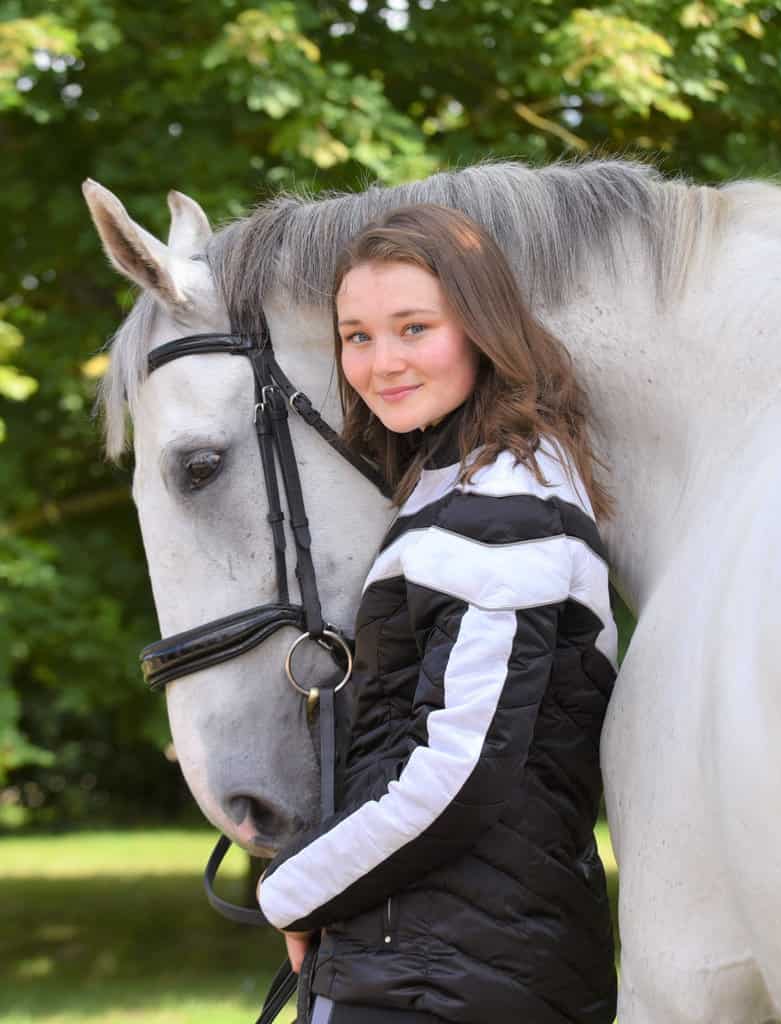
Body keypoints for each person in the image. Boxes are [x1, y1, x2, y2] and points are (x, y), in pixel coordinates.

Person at [257, 204, 618, 1024]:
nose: (382, 362)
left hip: (454, 980)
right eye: (357, 336)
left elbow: (460, 775)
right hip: (429, 962)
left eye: (414, 327)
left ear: (481, 329)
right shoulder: (451, 490)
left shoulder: (508, 511)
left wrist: (298, 889)